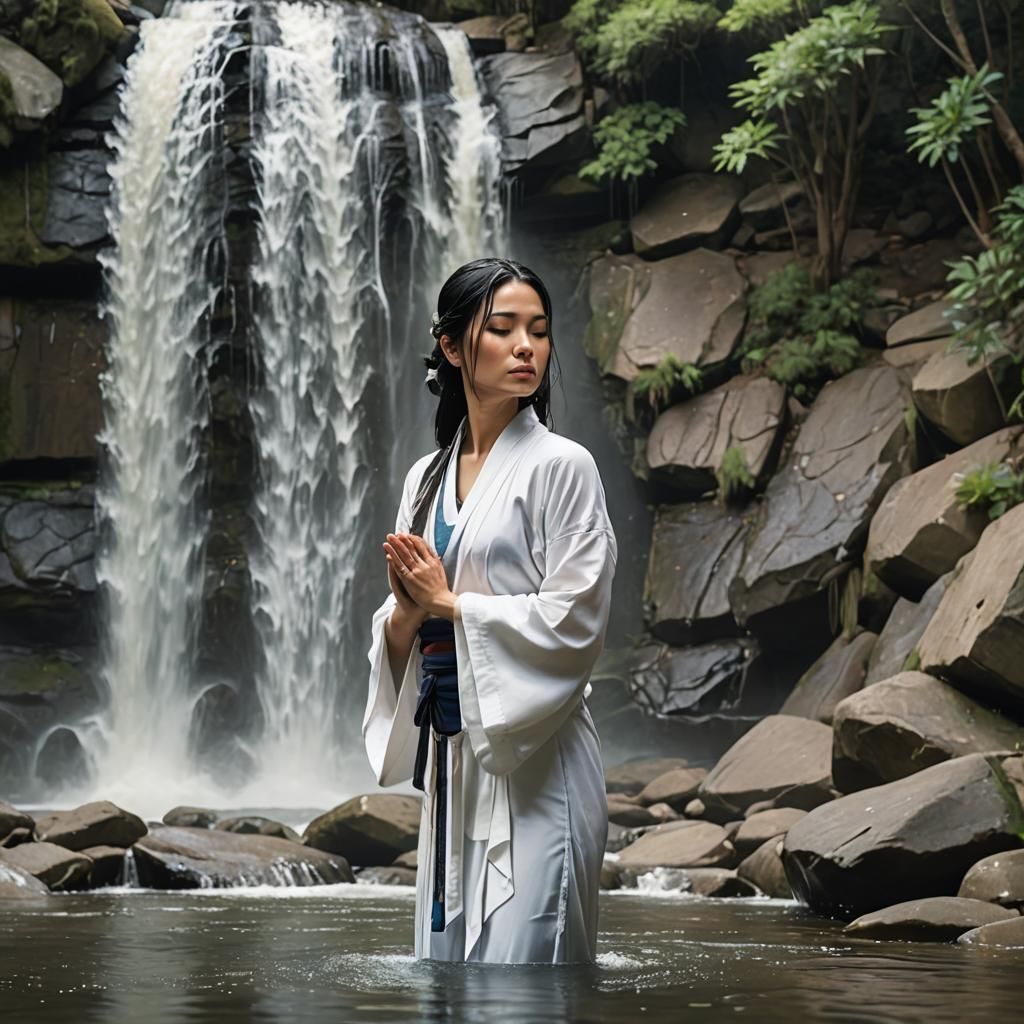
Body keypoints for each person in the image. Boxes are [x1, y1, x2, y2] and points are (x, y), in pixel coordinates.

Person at [362, 257, 617, 965]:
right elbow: (401, 618)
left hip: (539, 754)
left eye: (539, 330)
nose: (526, 347)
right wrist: (412, 615)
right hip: (456, 755)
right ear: (452, 347)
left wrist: (451, 604)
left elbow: (576, 617)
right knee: (451, 974)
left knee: (529, 968)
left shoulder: (563, 466)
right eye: (502, 329)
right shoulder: (426, 476)